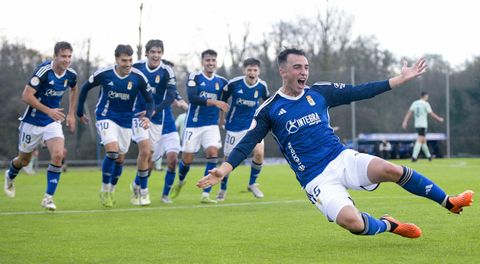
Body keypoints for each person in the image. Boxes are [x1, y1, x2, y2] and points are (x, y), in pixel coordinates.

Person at [197, 48, 474, 239]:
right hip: (315, 178)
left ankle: (449, 201)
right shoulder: (270, 109)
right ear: (283, 71)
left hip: (341, 158)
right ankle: (389, 225)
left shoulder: (319, 93)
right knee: (352, 223)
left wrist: (399, 79)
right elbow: (247, 142)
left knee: (391, 169)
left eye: (306, 66)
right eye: (297, 67)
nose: (303, 71)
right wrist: (224, 168)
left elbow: (359, 91)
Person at [4, 41, 78, 211]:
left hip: (52, 122)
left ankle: (48, 198)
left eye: (69, 56)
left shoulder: (71, 75)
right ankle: (9, 176)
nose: (67, 60)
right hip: (32, 121)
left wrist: (71, 113)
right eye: (63, 56)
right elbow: (26, 96)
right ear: (55, 56)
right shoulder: (43, 71)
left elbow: (74, 89)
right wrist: (48, 110)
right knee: (24, 160)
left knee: (58, 155)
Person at [77, 44, 153, 208]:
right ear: (116, 60)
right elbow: (84, 88)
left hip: (126, 121)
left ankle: (111, 190)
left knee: (120, 158)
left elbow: (150, 100)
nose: (127, 64)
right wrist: (78, 111)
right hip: (106, 116)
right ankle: (104, 190)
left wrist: (147, 115)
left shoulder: (138, 77)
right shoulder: (104, 74)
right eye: (124, 60)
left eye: (130, 60)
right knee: (112, 151)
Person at [171, 49, 229, 204]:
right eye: (208, 60)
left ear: (216, 63)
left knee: (212, 152)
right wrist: (215, 102)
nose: (210, 63)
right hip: (193, 124)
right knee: (187, 159)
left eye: (213, 60)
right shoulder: (194, 77)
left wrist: (221, 119)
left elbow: (223, 104)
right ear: (203, 62)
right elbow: (193, 98)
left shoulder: (222, 82)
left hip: (211, 124)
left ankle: (206, 193)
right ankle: (181, 179)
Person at [129, 40, 176, 206]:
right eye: (153, 52)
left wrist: (154, 111)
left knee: (150, 158)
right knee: (145, 150)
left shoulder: (167, 71)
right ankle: (144, 192)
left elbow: (171, 96)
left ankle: (136, 184)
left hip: (156, 118)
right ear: (146, 53)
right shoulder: (136, 68)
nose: (156, 55)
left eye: (159, 52)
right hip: (138, 115)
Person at [217, 58, 269, 201]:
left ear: (259, 71)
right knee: (228, 159)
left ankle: (252, 183)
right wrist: (222, 118)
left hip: (253, 126)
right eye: (249, 70)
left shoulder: (262, 86)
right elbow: (223, 100)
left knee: (259, 153)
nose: (252, 72)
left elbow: (267, 103)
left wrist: (267, 121)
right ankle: (223, 188)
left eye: (255, 70)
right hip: (234, 126)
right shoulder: (234, 84)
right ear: (244, 70)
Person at [157, 91, 189, 204]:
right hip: (153, 126)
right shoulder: (146, 84)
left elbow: (182, 102)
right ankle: (138, 185)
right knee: (148, 164)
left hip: (169, 128)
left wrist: (184, 105)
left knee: (172, 160)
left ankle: (165, 195)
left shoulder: (170, 88)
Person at [402, 91, 444, 162]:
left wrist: (405, 121)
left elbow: (409, 112)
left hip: (417, 124)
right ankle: (414, 157)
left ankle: (429, 157)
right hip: (423, 124)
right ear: (424, 96)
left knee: (423, 141)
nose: (428, 97)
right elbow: (431, 113)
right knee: (420, 139)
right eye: (427, 96)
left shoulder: (415, 103)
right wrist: (439, 119)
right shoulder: (425, 104)